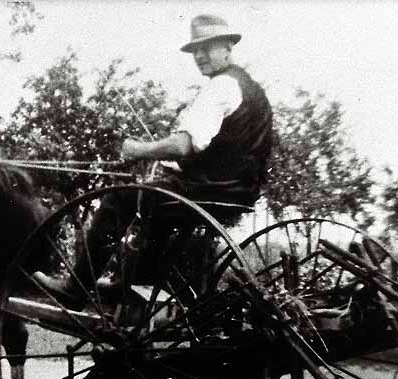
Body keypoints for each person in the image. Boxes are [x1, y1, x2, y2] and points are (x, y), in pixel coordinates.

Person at [34, 14, 274, 307]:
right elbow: (228, 151)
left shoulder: (221, 87)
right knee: (156, 209)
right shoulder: (252, 90)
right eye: (195, 50)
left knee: (117, 201)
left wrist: (138, 150)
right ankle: (132, 283)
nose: (199, 56)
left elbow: (184, 145)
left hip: (210, 192)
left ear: (227, 47)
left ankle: (75, 289)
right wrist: (177, 167)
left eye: (207, 47)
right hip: (237, 193)